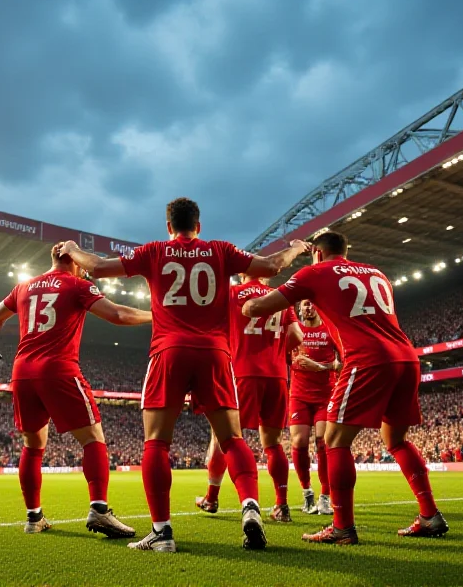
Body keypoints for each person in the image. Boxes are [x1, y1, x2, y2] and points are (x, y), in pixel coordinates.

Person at [60, 197, 309, 552]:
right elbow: (270, 265)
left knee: (157, 442)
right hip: (215, 354)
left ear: (168, 226)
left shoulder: (155, 251)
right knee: (232, 439)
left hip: (169, 351)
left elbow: (97, 267)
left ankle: (162, 534)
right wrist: (296, 247)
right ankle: (250, 506)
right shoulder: (221, 250)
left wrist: (72, 249)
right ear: (199, 224)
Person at [243, 230, 448, 545]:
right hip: (406, 357)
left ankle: (341, 527)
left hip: (366, 359)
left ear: (319, 254)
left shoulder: (314, 271)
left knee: (334, 440)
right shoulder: (376, 273)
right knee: (395, 439)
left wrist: (244, 300)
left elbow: (257, 309)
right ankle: (430, 515)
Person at [0, 243, 151, 538]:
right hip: (58, 368)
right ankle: (99, 510)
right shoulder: (76, 285)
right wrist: (156, 315)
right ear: (75, 262)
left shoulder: (23, 287)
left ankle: (34, 518)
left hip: (22, 373)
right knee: (93, 438)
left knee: (32, 446)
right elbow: (119, 315)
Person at [195, 275, 302, 522]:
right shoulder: (280, 297)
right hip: (277, 376)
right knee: (273, 442)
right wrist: (275, 353)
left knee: (225, 436)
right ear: (266, 275)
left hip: (242, 372)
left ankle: (211, 497)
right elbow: (297, 336)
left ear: (244, 273)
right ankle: (281, 506)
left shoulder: (232, 293)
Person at [289, 300, 340, 515]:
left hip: (324, 395)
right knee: (299, 441)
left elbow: (343, 362)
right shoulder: (294, 331)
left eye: (311, 304)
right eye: (304, 305)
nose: (307, 308)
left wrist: (321, 367)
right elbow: (283, 356)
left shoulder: (330, 329)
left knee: (323, 442)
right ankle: (307, 493)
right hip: (299, 395)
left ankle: (325, 497)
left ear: (318, 306)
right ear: (299, 309)